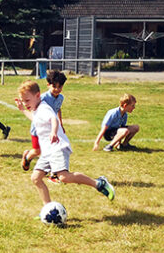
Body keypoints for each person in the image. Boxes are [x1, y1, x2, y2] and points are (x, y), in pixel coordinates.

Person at [16, 79, 114, 209]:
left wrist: (53, 132)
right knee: (36, 178)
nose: (25, 103)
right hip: (47, 151)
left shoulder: (44, 108)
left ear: (38, 95)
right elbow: (35, 119)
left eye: (27, 100)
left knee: (64, 177)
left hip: (57, 147)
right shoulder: (36, 109)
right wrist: (23, 109)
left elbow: (53, 119)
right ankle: (48, 208)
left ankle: (99, 183)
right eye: (23, 101)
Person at [21, 70, 67, 171]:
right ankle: (27, 157)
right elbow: (34, 110)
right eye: (54, 86)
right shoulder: (42, 98)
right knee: (37, 151)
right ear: (48, 85)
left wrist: (61, 124)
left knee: (53, 150)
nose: (57, 89)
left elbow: (58, 109)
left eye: (60, 87)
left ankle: (53, 172)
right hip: (38, 129)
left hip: (51, 130)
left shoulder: (60, 98)